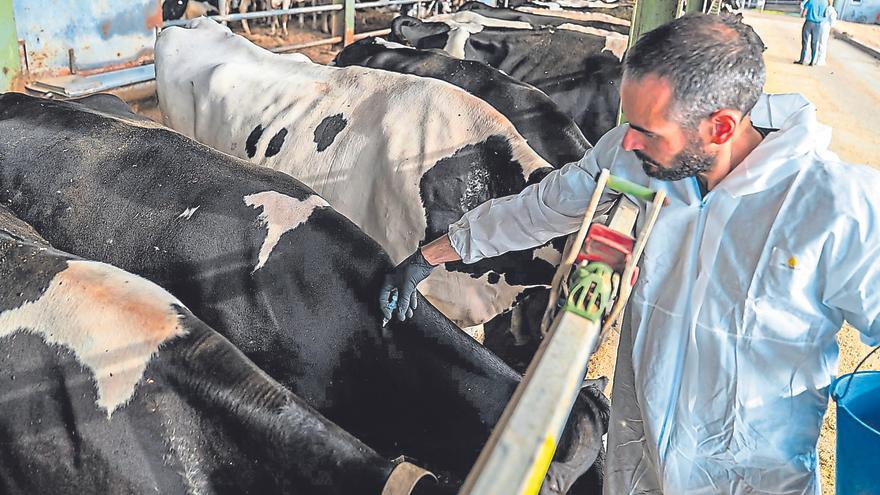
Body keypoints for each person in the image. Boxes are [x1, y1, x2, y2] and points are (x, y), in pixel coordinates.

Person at [379, 13, 880, 495]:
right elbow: (542, 207)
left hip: (751, 481)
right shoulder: (636, 153)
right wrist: (432, 255)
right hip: (636, 467)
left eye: (649, 131)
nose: (628, 140)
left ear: (721, 128)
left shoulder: (838, 209)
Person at [797, 0, 830, 65]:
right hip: (818, 25)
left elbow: (803, 14)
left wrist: (803, 15)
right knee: (814, 43)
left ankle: (802, 60)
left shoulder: (810, 1)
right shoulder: (825, 2)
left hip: (808, 23)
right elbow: (825, 14)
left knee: (805, 42)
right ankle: (812, 61)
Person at [815, 0, 838, 66]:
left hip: (819, 24)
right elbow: (833, 21)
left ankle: (813, 58)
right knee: (823, 43)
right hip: (826, 26)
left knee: (816, 42)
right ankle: (820, 60)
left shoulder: (823, 6)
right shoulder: (831, 9)